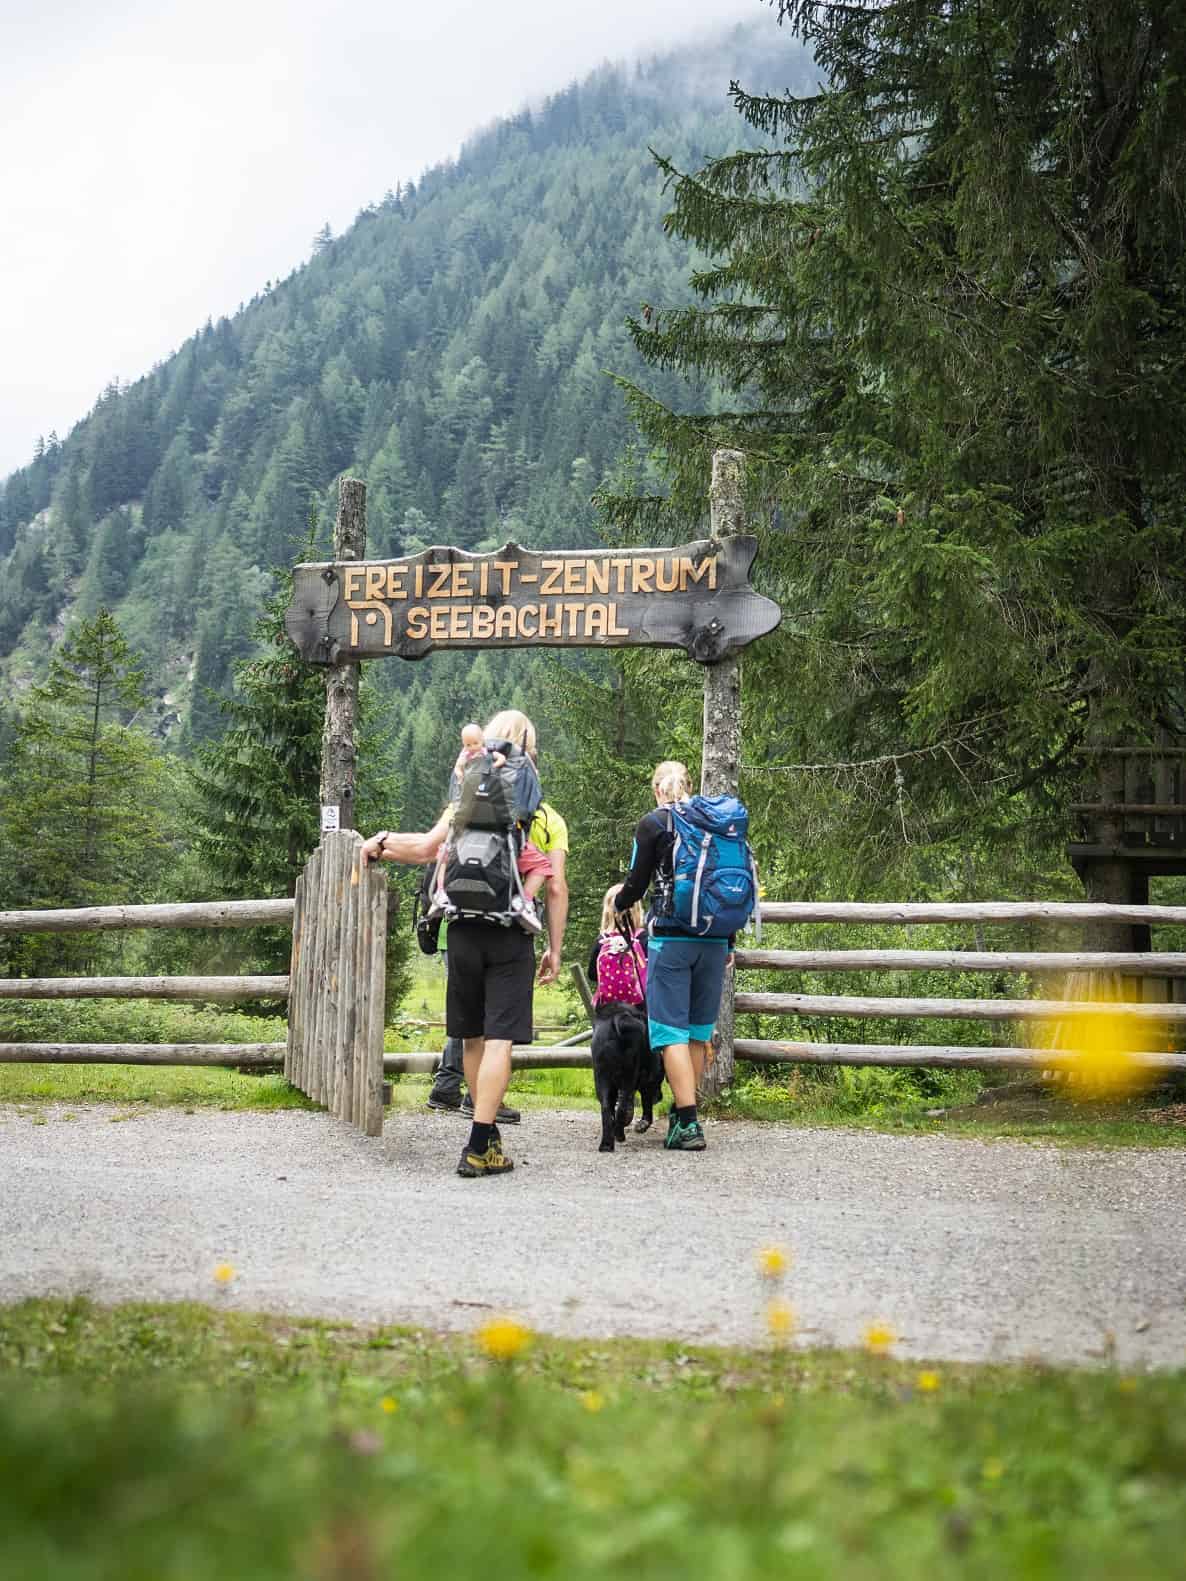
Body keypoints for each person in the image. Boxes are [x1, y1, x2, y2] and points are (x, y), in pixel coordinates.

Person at [364, 709, 567, 1174]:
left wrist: (380, 843)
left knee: (472, 1036)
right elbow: (551, 878)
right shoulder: (537, 811)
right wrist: (548, 938)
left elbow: (424, 849)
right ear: (528, 751)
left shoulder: (464, 798)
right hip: (510, 933)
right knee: (500, 1039)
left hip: (461, 928)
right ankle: (480, 1142)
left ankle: (486, 1132)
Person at [612, 760, 731, 1152]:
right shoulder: (715, 822)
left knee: (671, 1033)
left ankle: (689, 1124)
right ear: (690, 785)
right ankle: (684, 1115)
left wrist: (621, 904)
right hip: (716, 938)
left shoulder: (653, 824)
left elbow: (636, 881)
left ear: (657, 789)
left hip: (670, 938)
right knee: (697, 1031)